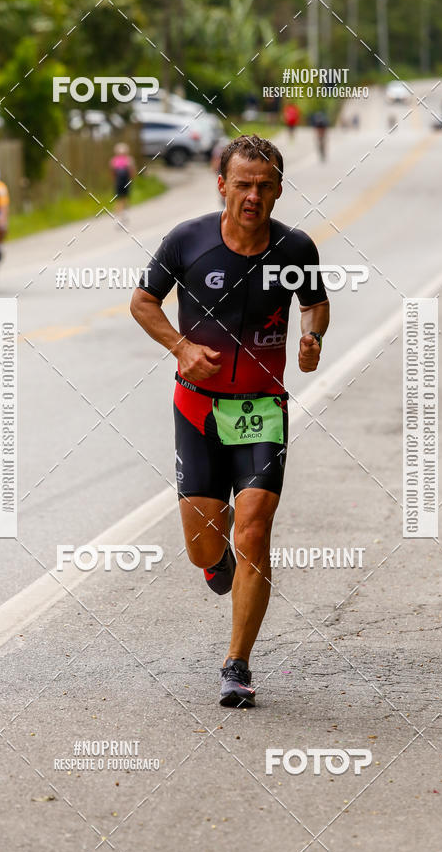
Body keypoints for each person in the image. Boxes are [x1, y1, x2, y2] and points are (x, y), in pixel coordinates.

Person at [130, 135, 329, 707]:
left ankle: (237, 665)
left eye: (264, 186)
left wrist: (313, 334)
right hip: (198, 407)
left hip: (263, 409)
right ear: (222, 186)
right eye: (242, 184)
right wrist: (180, 347)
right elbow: (144, 301)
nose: (252, 195)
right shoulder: (188, 241)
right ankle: (216, 564)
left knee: (255, 532)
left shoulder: (295, 249)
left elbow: (315, 302)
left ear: (279, 190)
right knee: (204, 548)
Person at [109, 142, 135, 223]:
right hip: (121, 182)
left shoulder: (116, 160)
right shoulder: (126, 160)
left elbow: (112, 172)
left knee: (122, 198)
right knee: (121, 198)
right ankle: (121, 213)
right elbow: (132, 171)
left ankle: (122, 213)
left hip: (122, 182)